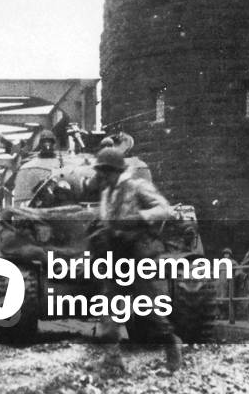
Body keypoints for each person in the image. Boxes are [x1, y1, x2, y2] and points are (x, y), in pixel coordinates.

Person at [89, 148, 183, 371]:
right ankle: (112, 359)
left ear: (115, 171)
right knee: (108, 308)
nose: (101, 177)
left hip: (139, 253)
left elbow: (164, 209)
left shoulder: (137, 186)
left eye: (104, 172)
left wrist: (140, 217)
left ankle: (172, 346)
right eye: (100, 172)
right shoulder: (107, 193)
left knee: (149, 307)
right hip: (116, 254)